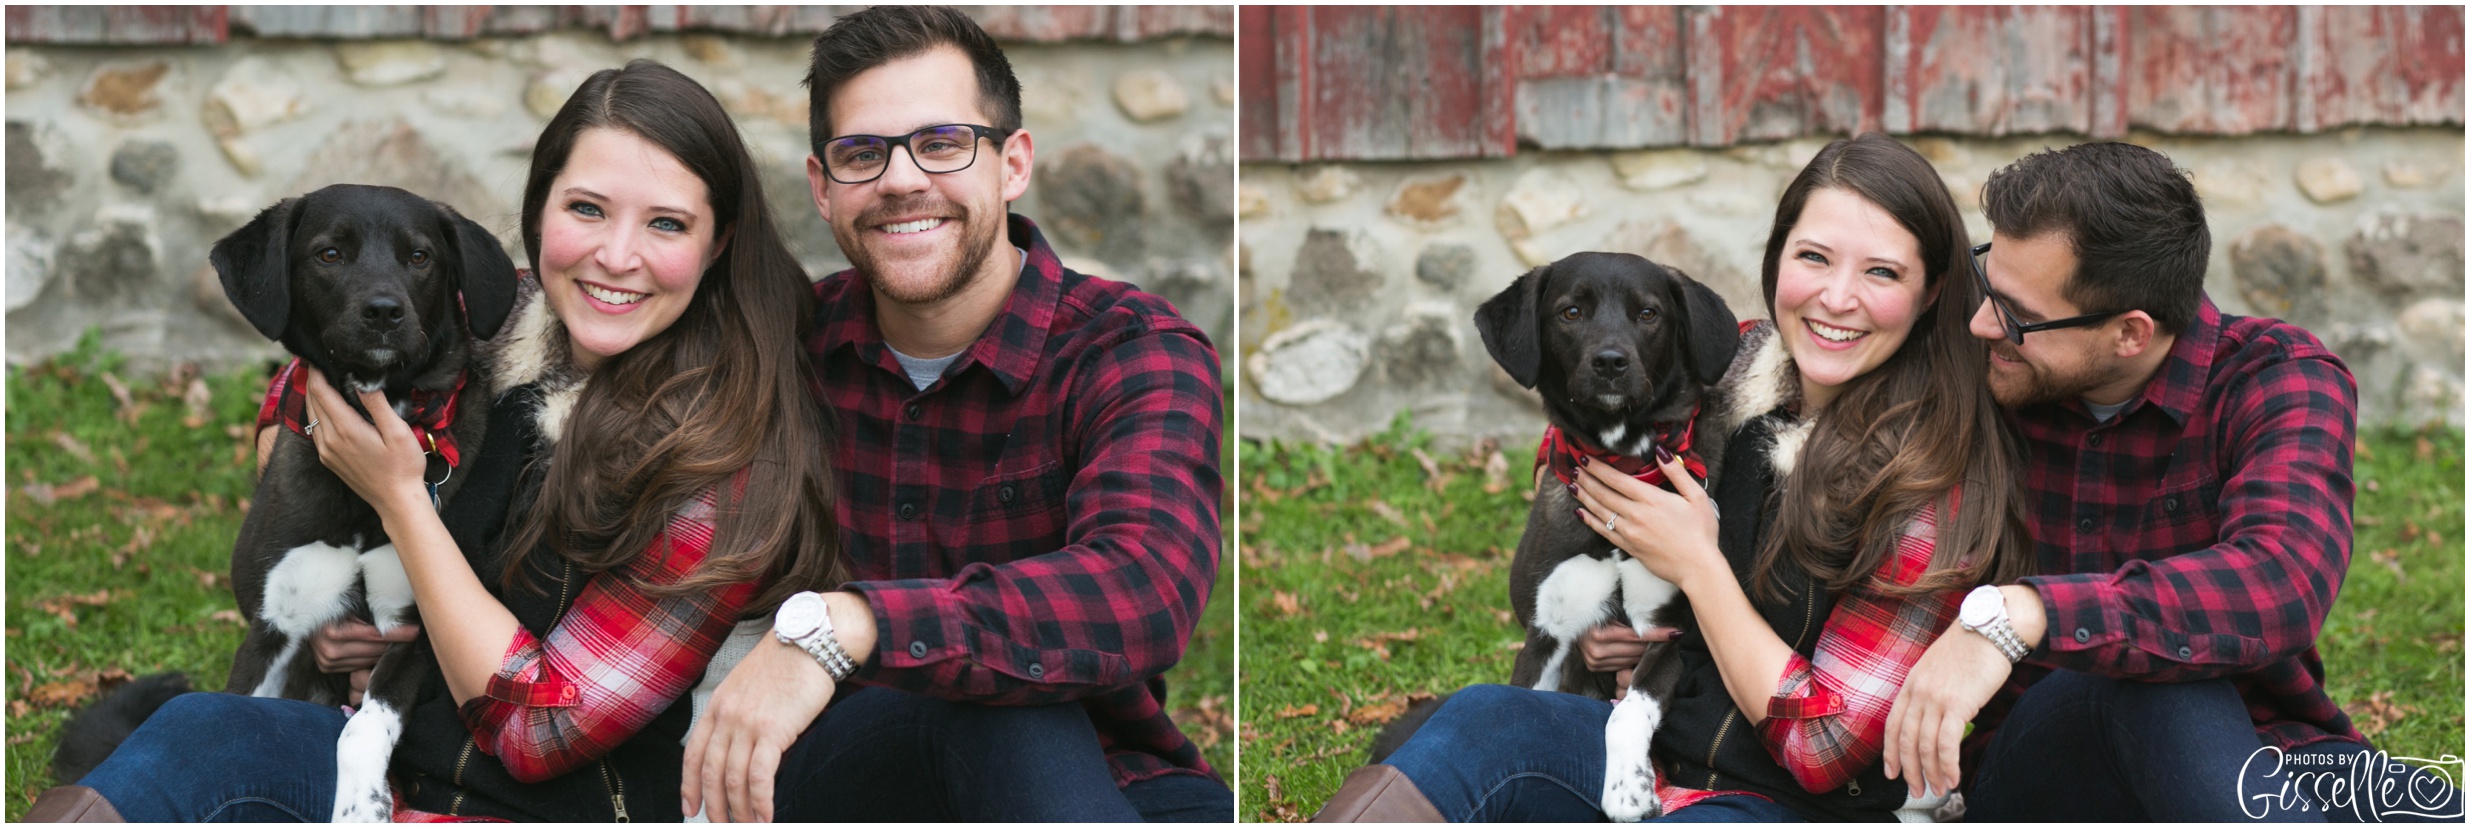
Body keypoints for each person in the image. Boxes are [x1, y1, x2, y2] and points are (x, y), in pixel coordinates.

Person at [28, 60, 837, 822]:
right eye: (586, 208)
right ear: (538, 211)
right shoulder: (508, 323)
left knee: (202, 744)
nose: (615, 257)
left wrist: (399, 501)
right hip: (391, 751)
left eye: (666, 222)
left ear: (717, 241)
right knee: (198, 728)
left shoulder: (722, 465)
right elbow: (323, 366)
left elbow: (539, 733)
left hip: (514, 802)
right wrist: (332, 584)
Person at [1316, 133, 2033, 822]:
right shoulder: (1734, 373)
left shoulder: (1932, 484)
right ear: (1776, 254)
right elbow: (1596, 407)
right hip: (1649, 752)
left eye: (1880, 272)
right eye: (1813, 256)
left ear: (1931, 291)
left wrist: (1696, 566)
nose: (1835, 298)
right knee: (1480, 718)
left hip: (1786, 806)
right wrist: (1610, 619)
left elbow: (1824, 751)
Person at [679, 5, 1229, 823]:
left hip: (1106, 779)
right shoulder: (779, 350)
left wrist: (846, 625)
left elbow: (1142, 591)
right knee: (1002, 712)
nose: (901, 181)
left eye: (941, 144)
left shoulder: (1131, 351)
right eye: (862, 154)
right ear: (821, 188)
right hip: (842, 777)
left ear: (1012, 164)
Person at [1880, 141, 2464, 821]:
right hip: (2049, 768)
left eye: (2016, 315)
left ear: (2130, 333)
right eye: (1987, 284)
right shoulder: (1982, 372)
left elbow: (2279, 580)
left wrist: (2019, 615)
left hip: (2264, 752)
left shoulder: (2275, 378)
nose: (1982, 325)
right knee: (2137, 679)